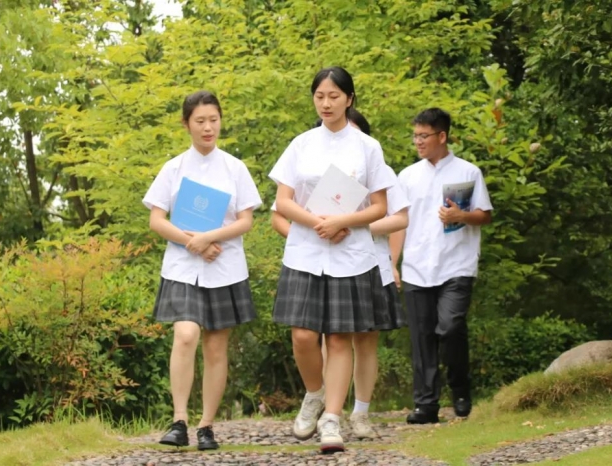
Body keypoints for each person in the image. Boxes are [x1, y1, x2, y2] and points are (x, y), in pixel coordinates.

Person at [268, 66, 395, 453]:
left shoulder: (367, 147)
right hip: (305, 251)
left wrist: (343, 222)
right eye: (320, 96)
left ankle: (332, 419)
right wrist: (318, 223)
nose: (326, 103)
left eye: (334, 96)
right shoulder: (301, 144)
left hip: (350, 253)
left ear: (349, 99)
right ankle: (314, 394)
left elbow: (380, 206)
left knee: (340, 337)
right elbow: (283, 201)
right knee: (303, 335)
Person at [142, 90, 262, 449]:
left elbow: (246, 221)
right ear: (186, 124)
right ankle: (179, 420)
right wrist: (191, 242)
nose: (208, 127)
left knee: (216, 347)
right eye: (200, 121)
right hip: (182, 266)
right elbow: (156, 219)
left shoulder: (235, 168)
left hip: (225, 267)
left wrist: (210, 238)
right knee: (185, 335)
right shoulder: (173, 168)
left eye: (213, 120)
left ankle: (206, 425)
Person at [390, 107, 493, 425]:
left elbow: (485, 215)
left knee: (450, 327)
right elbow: (399, 222)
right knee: (422, 338)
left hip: (456, 264)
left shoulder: (468, 172)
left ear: (442, 136)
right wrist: (393, 263)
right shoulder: (407, 176)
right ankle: (426, 405)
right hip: (417, 266)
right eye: (415, 136)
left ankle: (460, 390)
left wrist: (461, 216)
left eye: (424, 136)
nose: (418, 142)